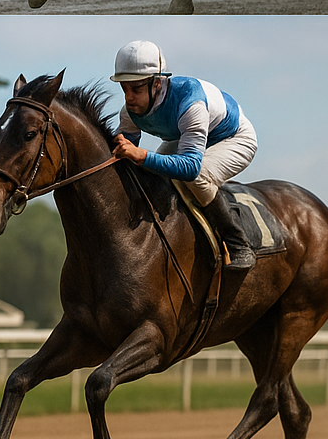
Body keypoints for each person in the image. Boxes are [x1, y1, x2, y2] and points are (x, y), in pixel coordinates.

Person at [108, 40, 258, 271]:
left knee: (197, 177)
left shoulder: (190, 103)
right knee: (153, 174)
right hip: (186, 135)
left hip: (233, 138)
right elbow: (122, 156)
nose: (128, 98)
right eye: (124, 89)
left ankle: (237, 243)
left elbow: (189, 167)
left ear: (157, 83)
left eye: (136, 89)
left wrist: (142, 155)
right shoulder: (129, 112)